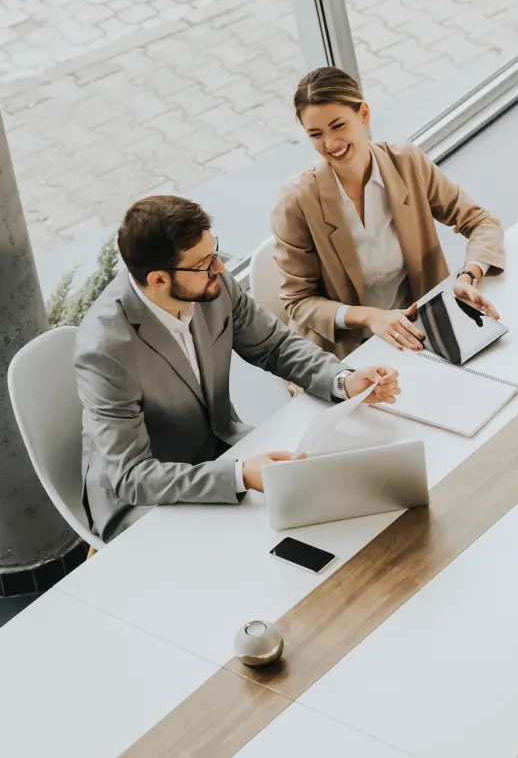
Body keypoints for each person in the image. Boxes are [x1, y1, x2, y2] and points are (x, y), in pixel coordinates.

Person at [75, 195, 400, 542]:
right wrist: (238, 475)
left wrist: (343, 380)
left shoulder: (212, 282)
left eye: (214, 251)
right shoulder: (105, 350)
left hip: (221, 447)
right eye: (203, 263)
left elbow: (274, 345)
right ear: (158, 280)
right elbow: (132, 477)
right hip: (145, 497)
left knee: (338, 506)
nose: (220, 268)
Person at [271, 66, 505, 359]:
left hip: (421, 331)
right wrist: (369, 317)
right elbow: (298, 302)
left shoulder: (406, 163)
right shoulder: (297, 199)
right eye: (316, 134)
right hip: (344, 351)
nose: (330, 144)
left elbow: (481, 221)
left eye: (338, 125)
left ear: (364, 114)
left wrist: (468, 276)